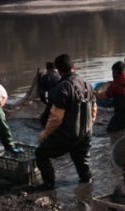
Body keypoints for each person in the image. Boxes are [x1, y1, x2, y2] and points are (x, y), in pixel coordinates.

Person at [35, 54, 97, 190]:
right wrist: (88, 127)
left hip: (67, 136)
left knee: (40, 154)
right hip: (85, 134)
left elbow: (56, 118)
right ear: (74, 67)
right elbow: (93, 110)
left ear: (58, 70)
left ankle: (49, 184)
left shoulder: (62, 87)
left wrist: (45, 134)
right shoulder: (87, 84)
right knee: (82, 162)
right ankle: (87, 186)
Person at [95, 61, 125, 133]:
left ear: (115, 72)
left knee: (111, 130)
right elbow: (124, 87)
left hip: (123, 115)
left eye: (113, 72)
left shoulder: (116, 85)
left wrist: (95, 93)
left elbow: (104, 96)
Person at [38, 62, 61, 127]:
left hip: (52, 102)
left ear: (47, 69)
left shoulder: (45, 77)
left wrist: (46, 103)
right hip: (63, 102)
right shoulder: (61, 76)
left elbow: (41, 94)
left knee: (43, 119)